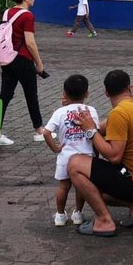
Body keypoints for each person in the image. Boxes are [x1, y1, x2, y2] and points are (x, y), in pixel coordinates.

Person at [67, 70, 133, 236]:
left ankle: (104, 221)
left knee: (75, 164)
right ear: (129, 88)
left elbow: (114, 157)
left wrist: (90, 131)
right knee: (94, 191)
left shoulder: (119, 113)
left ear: (106, 92)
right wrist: (84, 122)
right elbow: (101, 127)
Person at [42, 74, 100, 227]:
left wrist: (55, 148)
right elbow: (96, 132)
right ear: (87, 93)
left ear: (64, 94)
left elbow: (46, 133)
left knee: (63, 186)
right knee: (80, 187)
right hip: (85, 157)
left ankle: (60, 215)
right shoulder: (91, 110)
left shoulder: (60, 112)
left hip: (65, 156)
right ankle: (78, 214)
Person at [0, 0, 46, 146]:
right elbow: (30, 43)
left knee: (4, 96)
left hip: (7, 58)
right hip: (23, 59)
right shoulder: (27, 16)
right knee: (31, 95)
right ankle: (39, 131)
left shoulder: (7, 12)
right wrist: (39, 63)